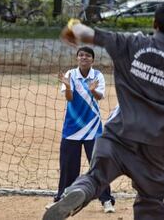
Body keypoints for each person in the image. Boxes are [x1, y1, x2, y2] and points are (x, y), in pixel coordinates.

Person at [43, 1, 164, 220]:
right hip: (154, 145)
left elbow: (84, 32)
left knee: (94, 178)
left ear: (154, 23)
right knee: (151, 199)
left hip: (117, 135)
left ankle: (79, 191)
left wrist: (72, 27)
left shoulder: (130, 42)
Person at [47, 46, 116, 213]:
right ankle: (61, 198)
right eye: (80, 55)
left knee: (98, 165)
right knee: (68, 165)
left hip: (93, 128)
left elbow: (100, 97)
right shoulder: (70, 74)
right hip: (72, 128)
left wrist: (93, 91)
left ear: (92, 60)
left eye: (87, 55)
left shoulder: (97, 75)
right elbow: (69, 99)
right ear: (77, 58)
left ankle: (106, 200)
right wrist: (68, 87)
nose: (83, 58)